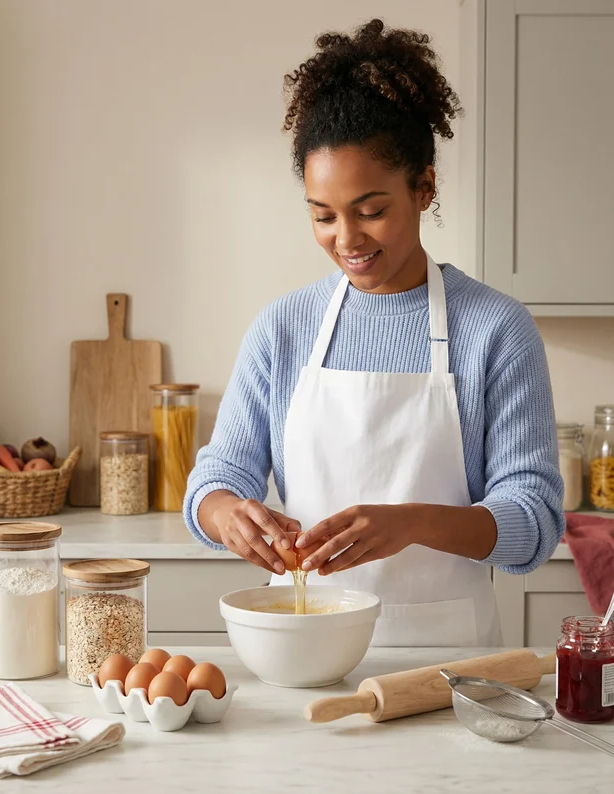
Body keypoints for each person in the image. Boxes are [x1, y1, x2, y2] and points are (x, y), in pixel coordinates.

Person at [183, 19, 564, 646]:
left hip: (446, 668)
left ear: (424, 188)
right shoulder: (283, 328)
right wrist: (227, 514)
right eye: (323, 215)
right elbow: (216, 478)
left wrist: (411, 523)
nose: (347, 239)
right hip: (300, 648)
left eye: (372, 211)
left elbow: (533, 522)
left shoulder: (496, 328)